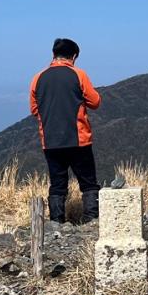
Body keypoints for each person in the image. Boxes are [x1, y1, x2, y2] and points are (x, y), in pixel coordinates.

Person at [30, 38, 102, 223]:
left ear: (53, 54)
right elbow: (95, 102)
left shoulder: (38, 78)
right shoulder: (79, 74)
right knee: (88, 182)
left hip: (50, 140)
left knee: (58, 184)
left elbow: (34, 109)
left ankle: (56, 223)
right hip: (78, 138)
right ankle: (91, 221)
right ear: (74, 56)